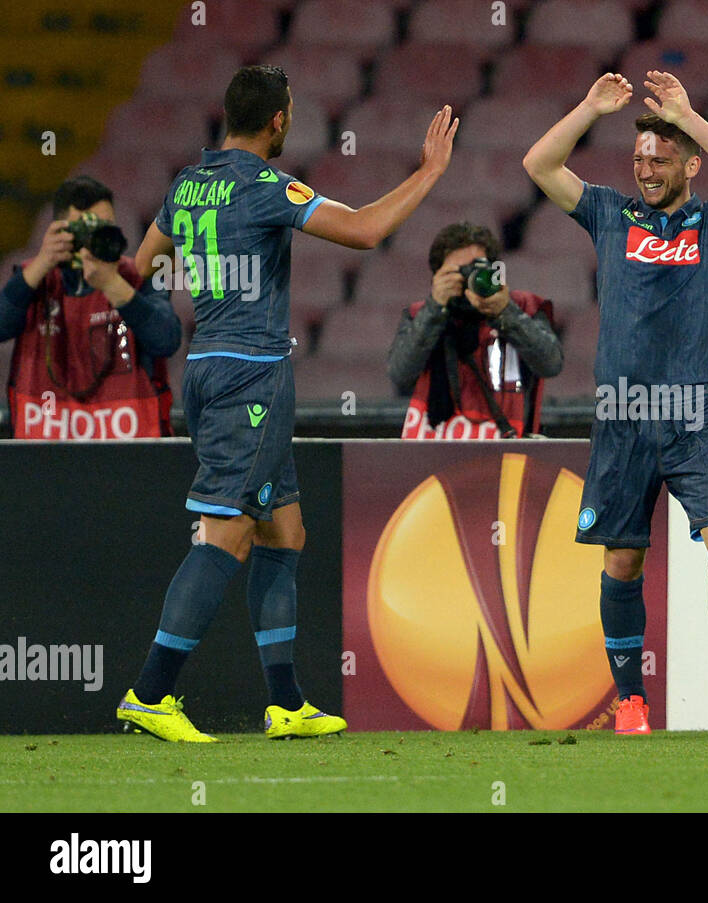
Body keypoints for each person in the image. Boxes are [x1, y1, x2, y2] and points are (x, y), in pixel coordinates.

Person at [116, 65, 458, 741]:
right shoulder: (266, 185)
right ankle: (149, 692)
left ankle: (285, 702)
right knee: (232, 530)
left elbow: (142, 265)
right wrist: (429, 173)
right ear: (277, 120)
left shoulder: (187, 183)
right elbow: (362, 230)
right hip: (252, 376)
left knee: (284, 529)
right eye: (291, 114)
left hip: (207, 362)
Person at [523, 71, 708, 734]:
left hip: (692, 411)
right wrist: (587, 107)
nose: (646, 169)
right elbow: (539, 163)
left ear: (690, 163)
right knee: (623, 559)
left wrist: (689, 117)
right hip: (622, 412)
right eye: (639, 158)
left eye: (660, 159)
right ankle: (631, 698)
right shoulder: (610, 214)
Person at [2, 176, 180, 439]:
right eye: (84, 229)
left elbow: (166, 340)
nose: (94, 239)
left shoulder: (136, 277)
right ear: (60, 232)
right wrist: (42, 263)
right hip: (45, 452)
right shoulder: (34, 279)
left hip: (128, 452)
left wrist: (111, 284)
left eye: (105, 228)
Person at [387, 221, 562, 439]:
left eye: (475, 269)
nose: (466, 280)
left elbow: (551, 364)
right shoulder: (420, 315)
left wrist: (504, 312)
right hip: (434, 448)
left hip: (508, 448)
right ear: (437, 277)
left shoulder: (523, 307)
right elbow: (400, 373)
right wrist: (435, 308)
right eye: (456, 273)